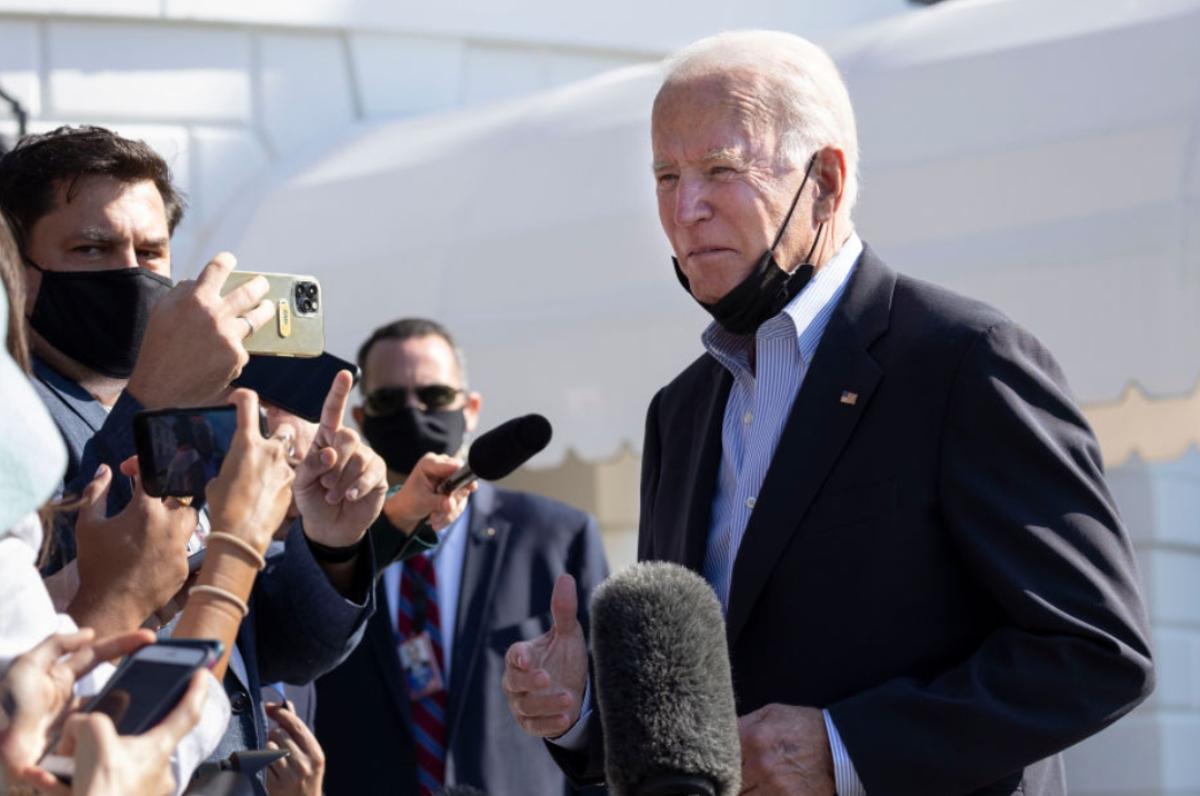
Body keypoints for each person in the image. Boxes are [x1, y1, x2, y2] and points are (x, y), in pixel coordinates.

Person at [502, 30, 1154, 796]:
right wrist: (580, 709)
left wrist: (844, 749)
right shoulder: (679, 411)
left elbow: (1097, 652)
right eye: (666, 175)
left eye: (721, 169)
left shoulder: (965, 360)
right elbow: (688, 730)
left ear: (826, 182)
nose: (685, 209)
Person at [0, 125, 421, 793]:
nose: (129, 273)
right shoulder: (15, 419)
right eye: (91, 248)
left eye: (150, 250)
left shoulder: (197, 408)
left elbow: (274, 640)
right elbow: (48, 594)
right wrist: (152, 399)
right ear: (19, 273)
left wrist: (330, 544)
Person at [314, 318, 610, 796]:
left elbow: (603, 717)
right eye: (390, 400)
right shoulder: (332, 549)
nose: (413, 413)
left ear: (470, 408)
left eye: (433, 397)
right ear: (363, 419)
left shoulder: (557, 537)